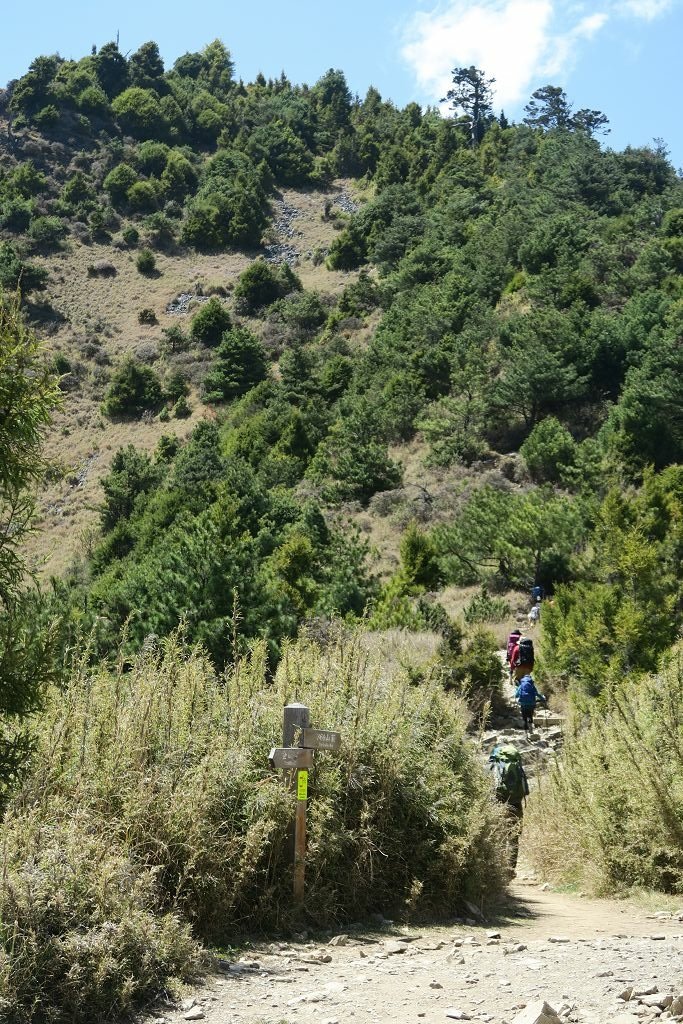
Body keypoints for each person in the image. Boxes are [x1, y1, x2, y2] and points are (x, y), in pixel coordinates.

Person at [488, 744, 529, 873]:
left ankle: (497, 870)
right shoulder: (517, 767)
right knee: (513, 837)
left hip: (498, 804)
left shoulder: (493, 767)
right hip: (516, 804)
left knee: (498, 836)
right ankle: (510, 870)